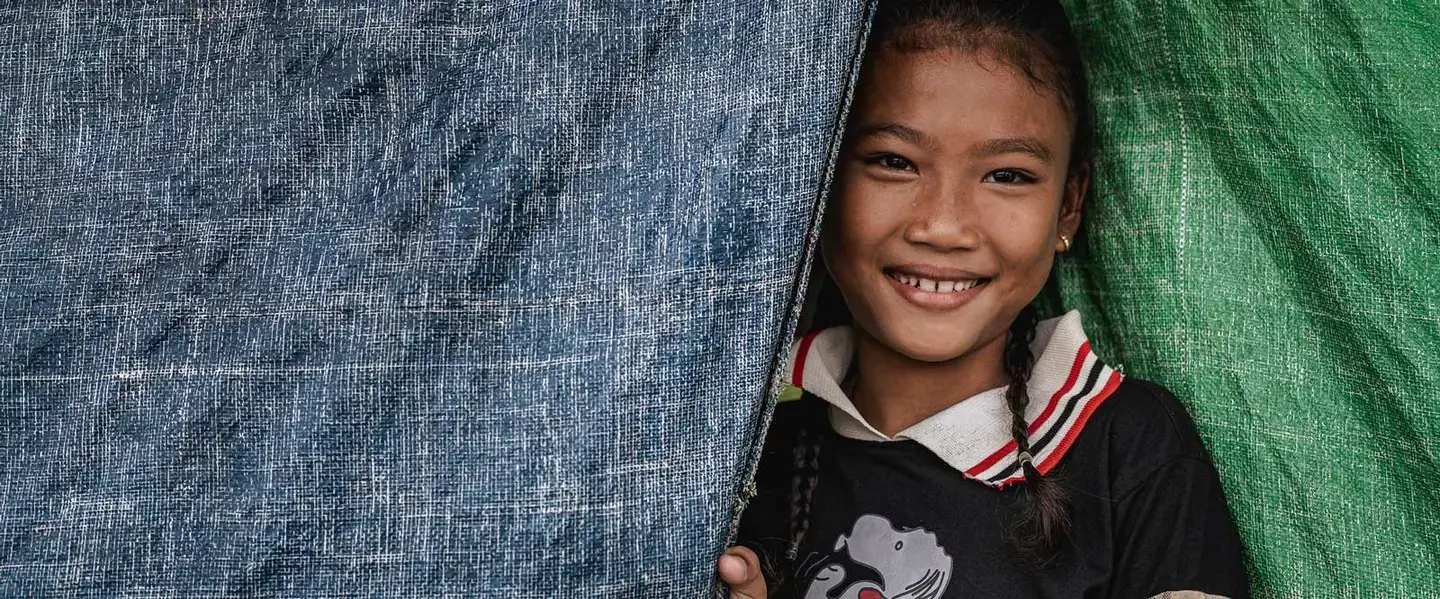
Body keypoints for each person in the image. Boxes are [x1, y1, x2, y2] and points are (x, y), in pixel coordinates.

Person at [715, 0, 1249, 597]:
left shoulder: (1128, 447)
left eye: (1008, 175)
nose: (942, 226)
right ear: (817, 178)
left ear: (1068, 206)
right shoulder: (733, 447)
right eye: (894, 162)